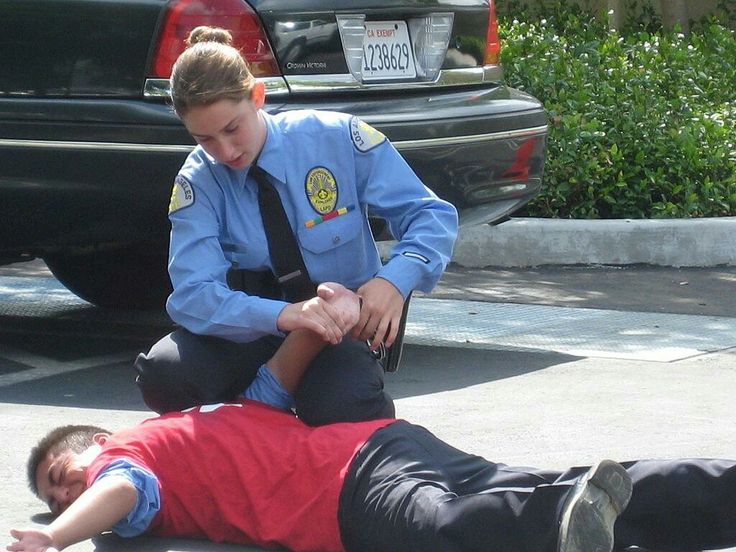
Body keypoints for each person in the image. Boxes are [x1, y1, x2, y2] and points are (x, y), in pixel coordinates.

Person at [9, 286, 736, 552]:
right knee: (586, 491)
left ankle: (556, 525)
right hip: (386, 447)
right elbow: (277, 377)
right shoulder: (214, 418)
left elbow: (122, 490)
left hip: (348, 490)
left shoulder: (127, 456)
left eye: (59, 477)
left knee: (442, 533)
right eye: (55, 497)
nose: (66, 492)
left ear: (96, 443)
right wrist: (319, 316)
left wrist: (53, 534)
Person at [133, 25, 458, 425]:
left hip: (336, 329)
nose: (226, 150)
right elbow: (193, 295)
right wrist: (284, 315)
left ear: (257, 96)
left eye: (233, 128)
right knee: (165, 375)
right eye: (206, 139)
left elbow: (431, 215)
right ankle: (242, 442)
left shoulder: (337, 139)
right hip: (248, 329)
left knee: (345, 407)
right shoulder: (199, 180)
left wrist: (395, 281)